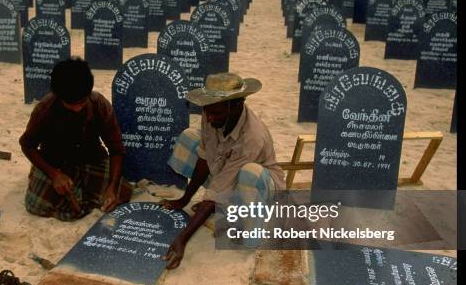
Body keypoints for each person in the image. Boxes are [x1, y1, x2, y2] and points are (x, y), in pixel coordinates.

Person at [160, 73, 285, 269]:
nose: (208, 119)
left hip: (260, 187)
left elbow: (218, 189)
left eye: (215, 114)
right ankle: (225, 207)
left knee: (249, 172)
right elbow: (204, 156)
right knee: (190, 137)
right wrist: (185, 199)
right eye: (206, 112)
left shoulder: (253, 137)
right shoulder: (210, 111)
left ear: (235, 106)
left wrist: (182, 239)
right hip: (227, 173)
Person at [19, 57, 133, 221]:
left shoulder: (99, 105)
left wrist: (112, 188)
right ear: (60, 97)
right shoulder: (45, 108)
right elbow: (26, 145)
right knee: (36, 205)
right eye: (71, 104)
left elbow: (116, 150)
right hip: (54, 161)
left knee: (123, 191)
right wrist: (54, 174)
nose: (78, 108)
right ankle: (74, 190)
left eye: (82, 102)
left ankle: (82, 192)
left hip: (90, 159)